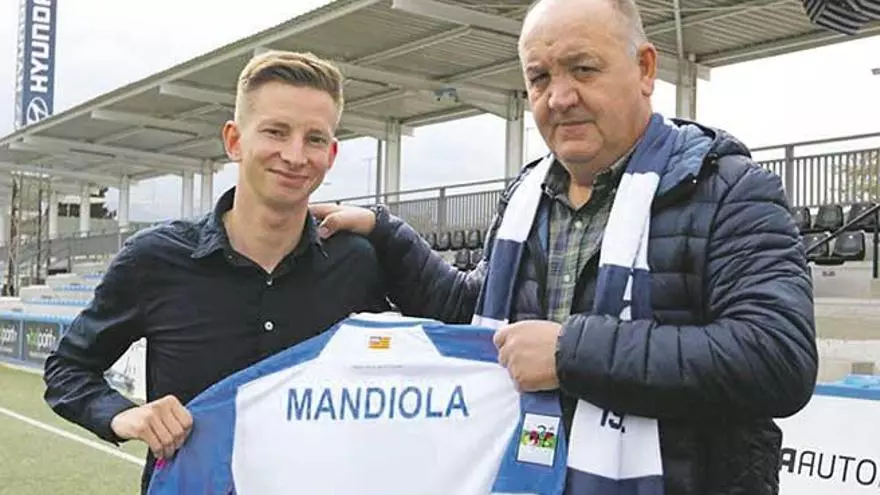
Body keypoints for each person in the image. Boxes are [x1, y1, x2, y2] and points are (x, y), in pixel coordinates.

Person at [311, 0, 818, 493]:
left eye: (583, 69)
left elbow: (777, 358)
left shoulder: (730, 189)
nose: (559, 97)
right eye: (539, 78)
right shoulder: (525, 197)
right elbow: (479, 318)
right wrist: (388, 236)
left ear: (645, 69)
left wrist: (568, 352)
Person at [43, 50, 391, 494]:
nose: (294, 155)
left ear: (332, 153)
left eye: (315, 139)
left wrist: (388, 228)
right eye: (276, 132)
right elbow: (67, 369)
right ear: (234, 140)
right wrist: (122, 413)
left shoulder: (358, 263)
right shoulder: (154, 258)